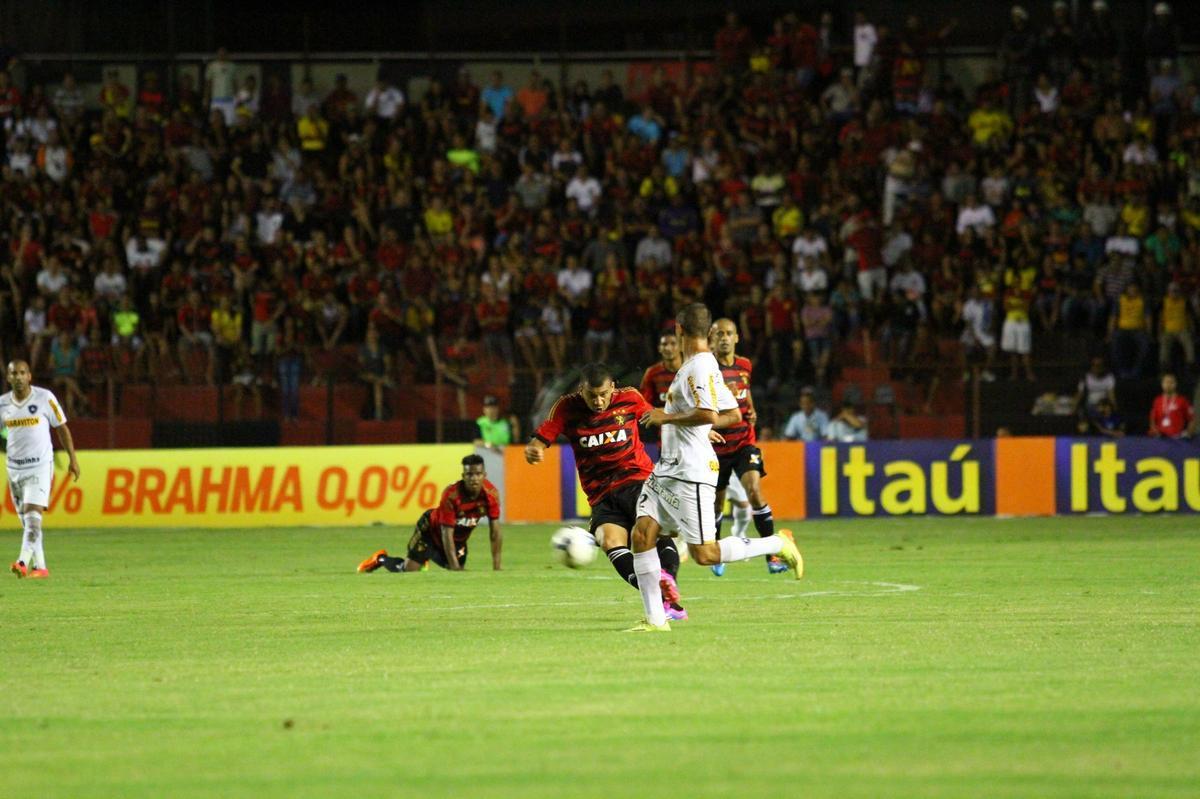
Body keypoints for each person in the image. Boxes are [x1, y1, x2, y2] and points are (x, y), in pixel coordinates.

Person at [626, 303, 802, 633]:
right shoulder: (701, 367)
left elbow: (707, 412)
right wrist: (700, 428)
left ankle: (777, 544)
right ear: (708, 332)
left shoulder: (697, 369)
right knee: (642, 534)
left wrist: (669, 416)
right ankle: (655, 621)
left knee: (705, 553)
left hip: (690, 473)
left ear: (678, 330)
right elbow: (732, 413)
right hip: (669, 467)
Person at [525, 363, 688, 621]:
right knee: (608, 541)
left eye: (603, 394)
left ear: (613, 388)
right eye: (592, 396)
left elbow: (658, 419)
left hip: (636, 479)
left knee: (651, 532)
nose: (599, 401)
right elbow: (545, 433)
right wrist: (534, 448)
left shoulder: (631, 398)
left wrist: (693, 433)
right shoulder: (567, 407)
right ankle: (665, 597)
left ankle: (668, 584)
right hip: (600, 493)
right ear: (582, 391)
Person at [709, 318, 786, 576]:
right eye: (719, 333)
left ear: (737, 338)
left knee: (754, 491)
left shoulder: (744, 365)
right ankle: (717, 552)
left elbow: (745, 390)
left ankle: (772, 555)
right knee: (716, 505)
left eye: (728, 333)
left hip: (744, 441)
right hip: (717, 447)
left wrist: (750, 409)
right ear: (711, 338)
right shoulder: (706, 369)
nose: (724, 338)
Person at [357, 454, 502, 573]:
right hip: (430, 531)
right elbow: (446, 533)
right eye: (469, 474)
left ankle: (425, 560)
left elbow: (495, 532)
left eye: (478, 474)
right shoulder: (452, 495)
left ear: (484, 475)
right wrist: (455, 566)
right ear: (463, 476)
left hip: (457, 540)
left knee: (458, 570)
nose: (474, 478)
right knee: (408, 570)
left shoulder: (491, 495)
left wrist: (496, 567)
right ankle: (380, 558)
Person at [4, 360, 81, 579]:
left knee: (32, 517)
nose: (18, 377)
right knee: (27, 522)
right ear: (8, 377)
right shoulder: (2, 405)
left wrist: (72, 459)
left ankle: (22, 562)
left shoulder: (44, 398)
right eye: (13, 374)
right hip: (14, 470)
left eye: (22, 373)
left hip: (39, 467)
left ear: (29, 376)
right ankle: (41, 567)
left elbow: (62, 428)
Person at [639, 332, 681, 409]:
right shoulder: (652, 373)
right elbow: (644, 403)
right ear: (659, 348)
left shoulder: (690, 370)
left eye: (673, 343)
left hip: (686, 418)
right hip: (661, 418)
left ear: (681, 346)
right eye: (664, 344)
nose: (668, 348)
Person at [1147, 373, 1194, 439]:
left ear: (1175, 384)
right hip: (1161, 438)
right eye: (1166, 382)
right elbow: (1152, 420)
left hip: (1178, 439)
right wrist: (1155, 432)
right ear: (1162, 384)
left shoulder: (1183, 400)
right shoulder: (1157, 401)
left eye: (1171, 382)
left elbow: (1191, 419)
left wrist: (1188, 433)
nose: (1168, 385)